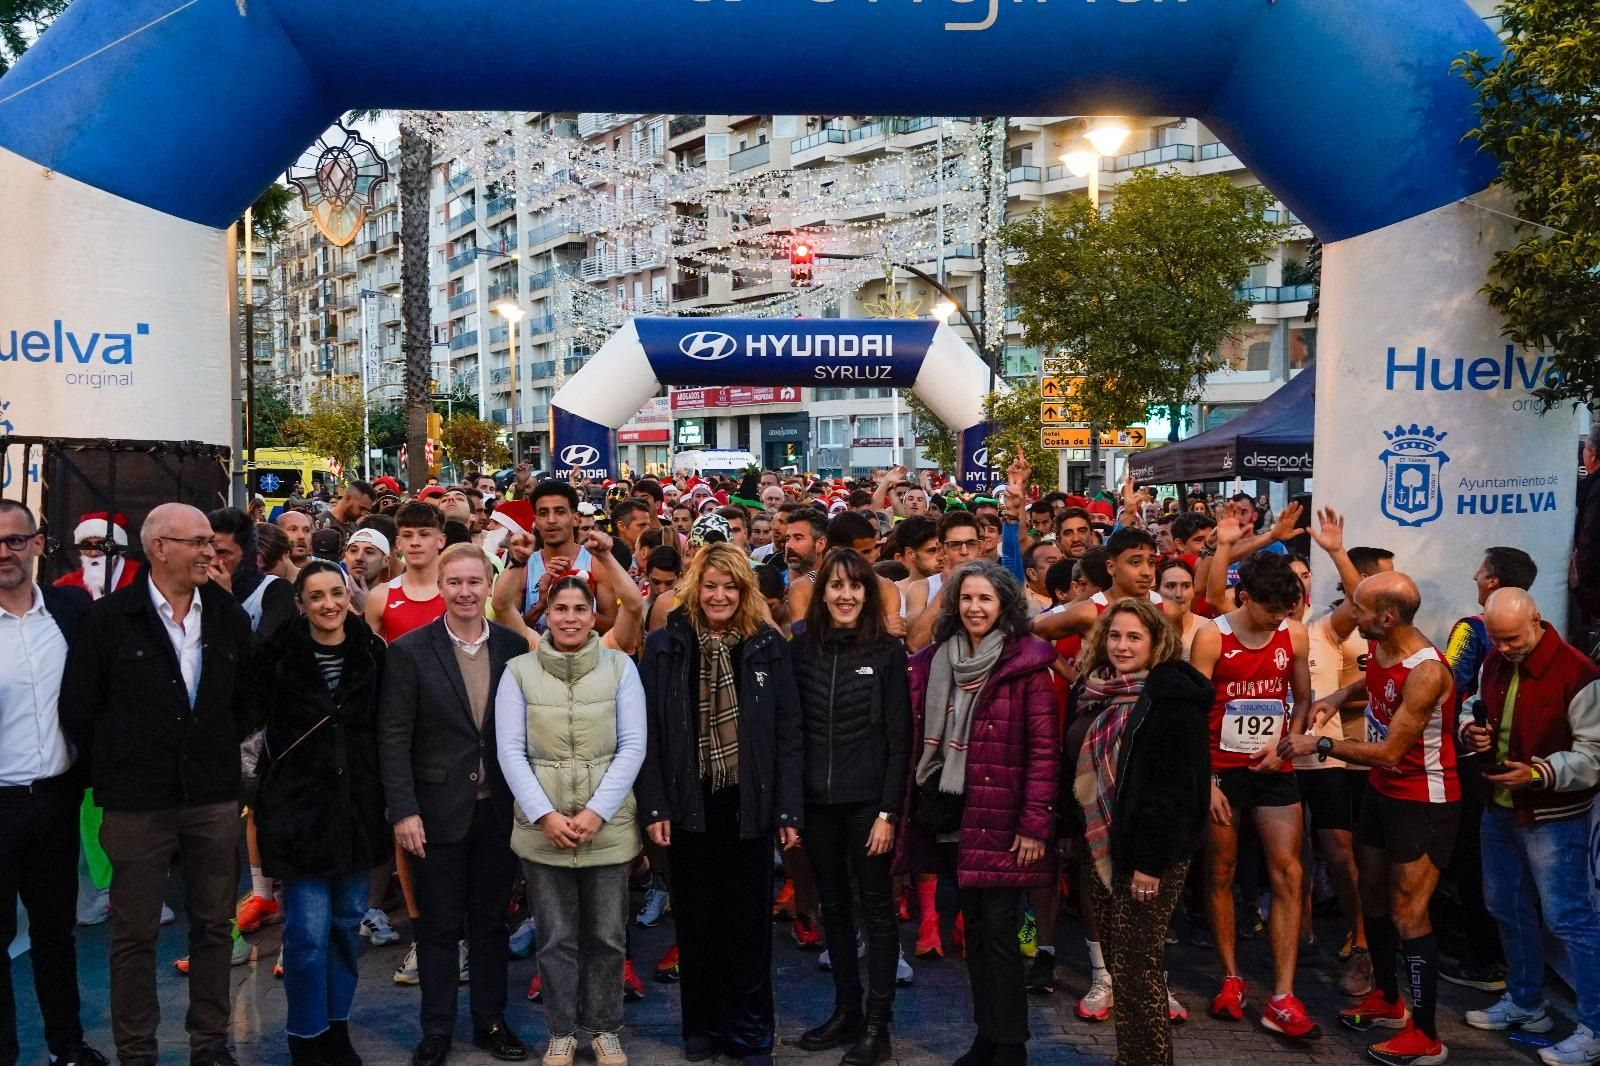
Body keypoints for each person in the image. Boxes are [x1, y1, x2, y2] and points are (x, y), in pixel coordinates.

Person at [60, 502, 257, 1066]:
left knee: (214, 927)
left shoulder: (226, 614)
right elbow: (80, 707)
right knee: (134, 934)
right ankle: (137, 1052)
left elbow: (247, 697)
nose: (208, 551)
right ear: (159, 548)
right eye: (195, 541)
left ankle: (211, 1045)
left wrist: (213, 752)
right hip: (136, 803)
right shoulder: (109, 619)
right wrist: (120, 769)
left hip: (211, 798)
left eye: (211, 542)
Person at [1278, 571, 1458, 1065]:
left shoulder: (1426, 671)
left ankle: (1426, 1036)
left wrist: (1323, 743)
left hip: (1424, 799)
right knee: (1373, 899)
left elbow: (1388, 752)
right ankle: (1388, 998)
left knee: (1408, 913)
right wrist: (1337, 697)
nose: (1350, 616)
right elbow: (1373, 680)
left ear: (1388, 616)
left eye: (1359, 610)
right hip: (1383, 795)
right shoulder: (1383, 646)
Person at [636, 544, 802, 1066]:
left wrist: (788, 811)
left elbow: (788, 733)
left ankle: (751, 1033)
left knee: (747, 928)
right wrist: (655, 806)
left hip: (747, 806)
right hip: (687, 805)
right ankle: (702, 1027)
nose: (720, 595)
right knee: (696, 923)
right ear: (694, 589)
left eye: (730, 586)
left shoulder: (767, 647)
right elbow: (649, 735)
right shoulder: (664, 646)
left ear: (745, 592)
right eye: (710, 585)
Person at [898, 560, 1059, 1066]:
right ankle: (987, 1035)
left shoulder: (1027, 665)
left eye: (986, 599)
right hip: (953, 815)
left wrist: (1035, 824)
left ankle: (1010, 1044)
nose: (975, 608)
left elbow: (1043, 752)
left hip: (1007, 820)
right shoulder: (934, 661)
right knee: (976, 933)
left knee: (1001, 934)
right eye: (967, 598)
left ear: (1004, 605)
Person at [379, 544, 530, 1066]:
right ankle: (437, 1029)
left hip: (498, 809)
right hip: (434, 811)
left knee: (490, 923)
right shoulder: (410, 651)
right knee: (438, 926)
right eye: (455, 582)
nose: (465, 592)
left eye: (474, 581)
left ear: (488, 586)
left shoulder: (514, 648)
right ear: (440, 587)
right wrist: (403, 810)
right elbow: (393, 736)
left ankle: (491, 1021)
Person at [496, 573, 646, 1066]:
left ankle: (604, 1028)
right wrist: (545, 815)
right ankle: (561, 1031)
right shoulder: (518, 671)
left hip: (607, 828)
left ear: (592, 615)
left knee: (607, 936)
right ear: (547, 613)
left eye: (580, 609)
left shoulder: (620, 667)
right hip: (544, 831)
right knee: (555, 938)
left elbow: (632, 746)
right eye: (560, 609)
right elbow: (511, 751)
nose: (570, 619)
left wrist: (596, 812)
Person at [248, 559, 389, 1066]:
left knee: (345, 928)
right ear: (301, 604)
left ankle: (337, 1027)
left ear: (349, 594)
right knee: (305, 935)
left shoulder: (372, 652)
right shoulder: (276, 655)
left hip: (356, 814)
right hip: (298, 815)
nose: (329, 604)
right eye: (317, 596)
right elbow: (247, 722)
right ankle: (305, 1035)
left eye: (337, 592)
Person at [1455, 588, 1600, 1065]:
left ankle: (1594, 1027)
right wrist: (1468, 730)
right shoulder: (1496, 661)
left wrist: (1538, 773)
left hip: (1551, 814)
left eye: (1512, 638)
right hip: (1501, 805)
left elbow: (1594, 756)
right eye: (1495, 639)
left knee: (1568, 918)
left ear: (1537, 621)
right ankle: (1526, 1001)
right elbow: (1472, 706)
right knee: (1506, 906)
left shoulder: (1578, 672)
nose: (1504, 648)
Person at [1071, 596, 1212, 1066]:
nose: (1122, 645)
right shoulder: (1096, 690)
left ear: (1157, 642)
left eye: (1134, 637)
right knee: (1122, 963)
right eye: (1114, 635)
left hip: (1151, 856)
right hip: (1103, 847)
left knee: (1137, 965)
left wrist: (1150, 865)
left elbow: (1173, 790)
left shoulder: (1171, 699)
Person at [1188, 552, 1318, 1040]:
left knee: (1289, 871)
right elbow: (1192, 713)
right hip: (1221, 768)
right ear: (1246, 598)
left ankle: (1283, 994)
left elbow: (1301, 698)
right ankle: (1231, 977)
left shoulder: (1294, 634)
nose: (1278, 620)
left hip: (1273, 765)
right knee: (1220, 870)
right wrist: (1205, 782)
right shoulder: (1211, 636)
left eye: (1286, 611)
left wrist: (1291, 739)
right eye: (1270, 612)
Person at [790, 550, 912, 1066]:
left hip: (868, 806)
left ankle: (878, 1026)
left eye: (855, 587)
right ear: (822, 595)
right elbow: (790, 733)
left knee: (877, 911)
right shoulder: (801, 649)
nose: (845, 595)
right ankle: (847, 1010)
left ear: (868, 594)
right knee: (833, 909)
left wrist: (888, 812)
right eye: (836, 586)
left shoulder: (886, 652)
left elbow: (899, 739)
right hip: (817, 804)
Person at [0, 501, 106, 1066]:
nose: (4, 552)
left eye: (15, 541)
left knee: (54, 933)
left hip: (57, 800)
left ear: (38, 544)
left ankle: (68, 1046)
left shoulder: (70, 610)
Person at [366, 502, 447, 643]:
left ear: (441, 540)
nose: (415, 542)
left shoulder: (459, 593)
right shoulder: (379, 596)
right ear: (398, 543)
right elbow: (373, 658)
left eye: (424, 534)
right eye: (407, 535)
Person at [53, 511, 141, 599]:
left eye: (102, 545)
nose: (94, 553)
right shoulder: (66, 585)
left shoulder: (141, 576)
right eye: (86, 545)